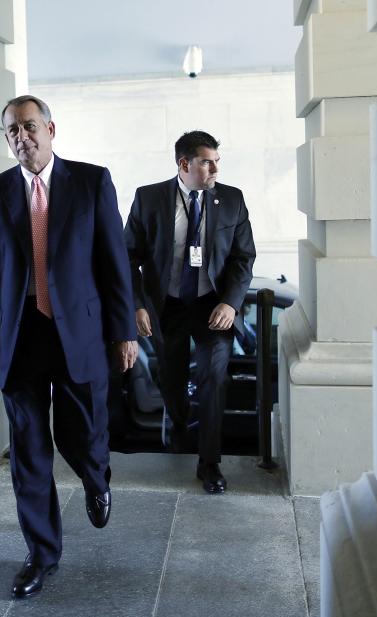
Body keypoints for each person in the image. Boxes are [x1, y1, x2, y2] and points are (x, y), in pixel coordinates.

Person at [0, 95, 138, 598]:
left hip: (79, 334)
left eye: (30, 126)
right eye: (13, 131)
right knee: (29, 451)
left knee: (82, 433)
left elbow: (114, 264)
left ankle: (96, 478)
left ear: (51, 129)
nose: (23, 137)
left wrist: (123, 330)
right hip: (21, 336)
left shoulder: (90, 182)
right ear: (7, 139)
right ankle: (41, 555)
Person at [124, 131, 256, 494]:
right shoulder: (148, 198)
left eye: (216, 160)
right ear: (184, 164)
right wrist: (137, 305)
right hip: (167, 306)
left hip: (213, 305)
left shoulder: (231, 199)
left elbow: (244, 257)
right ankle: (179, 429)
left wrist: (230, 302)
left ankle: (209, 463)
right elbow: (128, 257)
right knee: (172, 381)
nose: (214, 168)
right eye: (205, 161)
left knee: (214, 378)